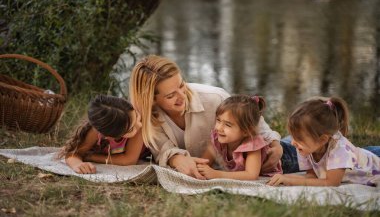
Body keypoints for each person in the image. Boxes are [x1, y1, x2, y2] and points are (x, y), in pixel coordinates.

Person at [129, 55, 283, 179]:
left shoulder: (215, 98)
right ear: (152, 99)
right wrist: (176, 159)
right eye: (171, 95)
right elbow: (163, 150)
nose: (182, 96)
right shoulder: (146, 117)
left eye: (182, 85)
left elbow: (255, 123)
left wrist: (276, 145)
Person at [267, 97, 380, 187]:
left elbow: (331, 183)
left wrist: (290, 181)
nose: (292, 143)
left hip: (375, 170)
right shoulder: (306, 149)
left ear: (322, 140)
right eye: (293, 137)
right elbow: (311, 177)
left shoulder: (339, 149)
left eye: (299, 139)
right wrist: (284, 178)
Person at [197, 95, 282, 180]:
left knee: (292, 143)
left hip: (287, 158)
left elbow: (251, 175)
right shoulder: (216, 138)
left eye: (228, 124)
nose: (219, 128)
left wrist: (216, 174)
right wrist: (201, 170)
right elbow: (204, 162)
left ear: (246, 131)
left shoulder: (253, 144)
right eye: (218, 120)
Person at [59, 94, 145, 174]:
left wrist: (91, 157)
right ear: (109, 137)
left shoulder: (137, 126)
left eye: (136, 116)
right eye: (131, 129)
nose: (140, 124)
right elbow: (73, 153)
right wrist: (77, 164)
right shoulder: (95, 132)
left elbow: (129, 160)